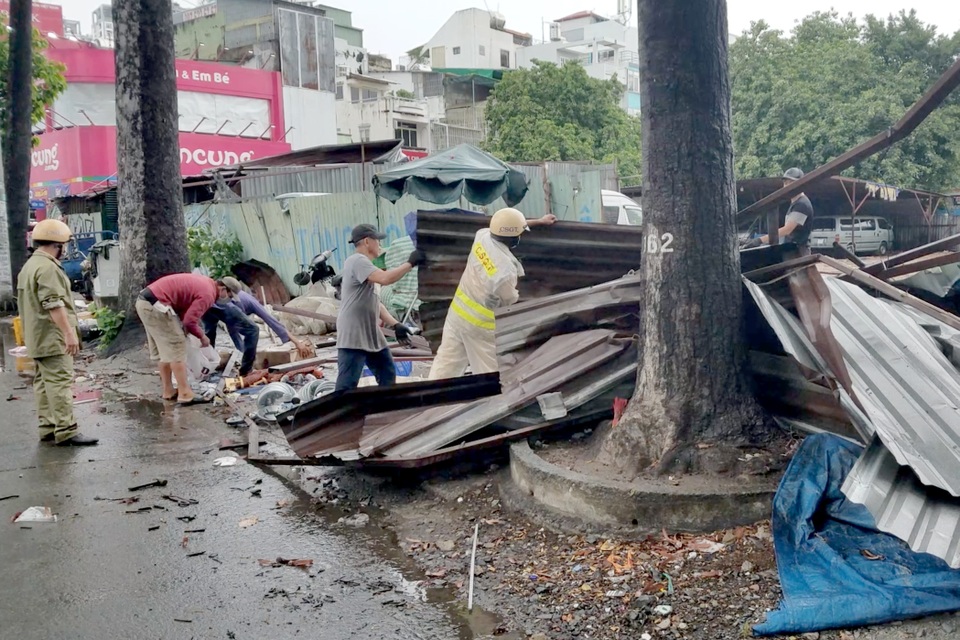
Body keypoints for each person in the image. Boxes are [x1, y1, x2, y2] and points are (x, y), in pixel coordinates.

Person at [429, 208, 556, 380]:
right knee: (488, 375)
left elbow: (503, 226)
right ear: (513, 237)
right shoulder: (505, 270)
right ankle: (491, 406)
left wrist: (539, 221)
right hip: (480, 325)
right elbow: (510, 299)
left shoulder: (482, 236)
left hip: (457, 313)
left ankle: (431, 403)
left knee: (446, 366)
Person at [16, 219, 98, 446]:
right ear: (57, 245)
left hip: (36, 336)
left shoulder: (30, 266)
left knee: (43, 382)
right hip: (52, 336)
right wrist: (69, 334)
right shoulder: (48, 268)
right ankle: (66, 430)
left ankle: (48, 427)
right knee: (60, 382)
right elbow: (53, 303)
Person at [335, 224, 425, 391]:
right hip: (354, 333)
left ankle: (385, 410)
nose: (380, 245)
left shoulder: (365, 265)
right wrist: (410, 264)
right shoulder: (357, 261)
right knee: (347, 386)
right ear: (367, 241)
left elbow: (375, 302)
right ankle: (338, 415)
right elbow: (385, 279)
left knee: (387, 373)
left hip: (371, 333)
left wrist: (396, 324)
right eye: (377, 240)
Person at [136, 273, 231, 404]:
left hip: (145, 303)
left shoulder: (205, 282)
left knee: (164, 350)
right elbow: (190, 321)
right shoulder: (208, 294)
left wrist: (186, 328)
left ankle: (168, 390)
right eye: (229, 295)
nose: (227, 299)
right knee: (177, 345)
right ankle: (185, 393)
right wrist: (202, 337)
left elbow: (183, 306)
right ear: (223, 289)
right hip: (158, 306)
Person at [742, 167, 815, 255]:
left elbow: (787, 230)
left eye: (791, 183)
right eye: (785, 183)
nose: (787, 186)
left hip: (799, 253)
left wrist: (759, 240)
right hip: (792, 250)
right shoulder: (795, 203)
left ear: (801, 184)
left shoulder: (802, 204)